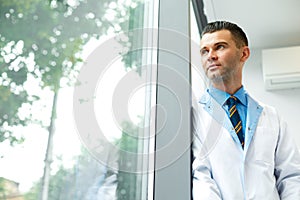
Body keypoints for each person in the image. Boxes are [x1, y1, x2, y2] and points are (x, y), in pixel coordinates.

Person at [192, 21, 300, 200]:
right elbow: (201, 176)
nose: (210, 56)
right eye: (205, 51)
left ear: (244, 53)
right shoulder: (194, 115)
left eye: (219, 47)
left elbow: (291, 177)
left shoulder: (272, 117)